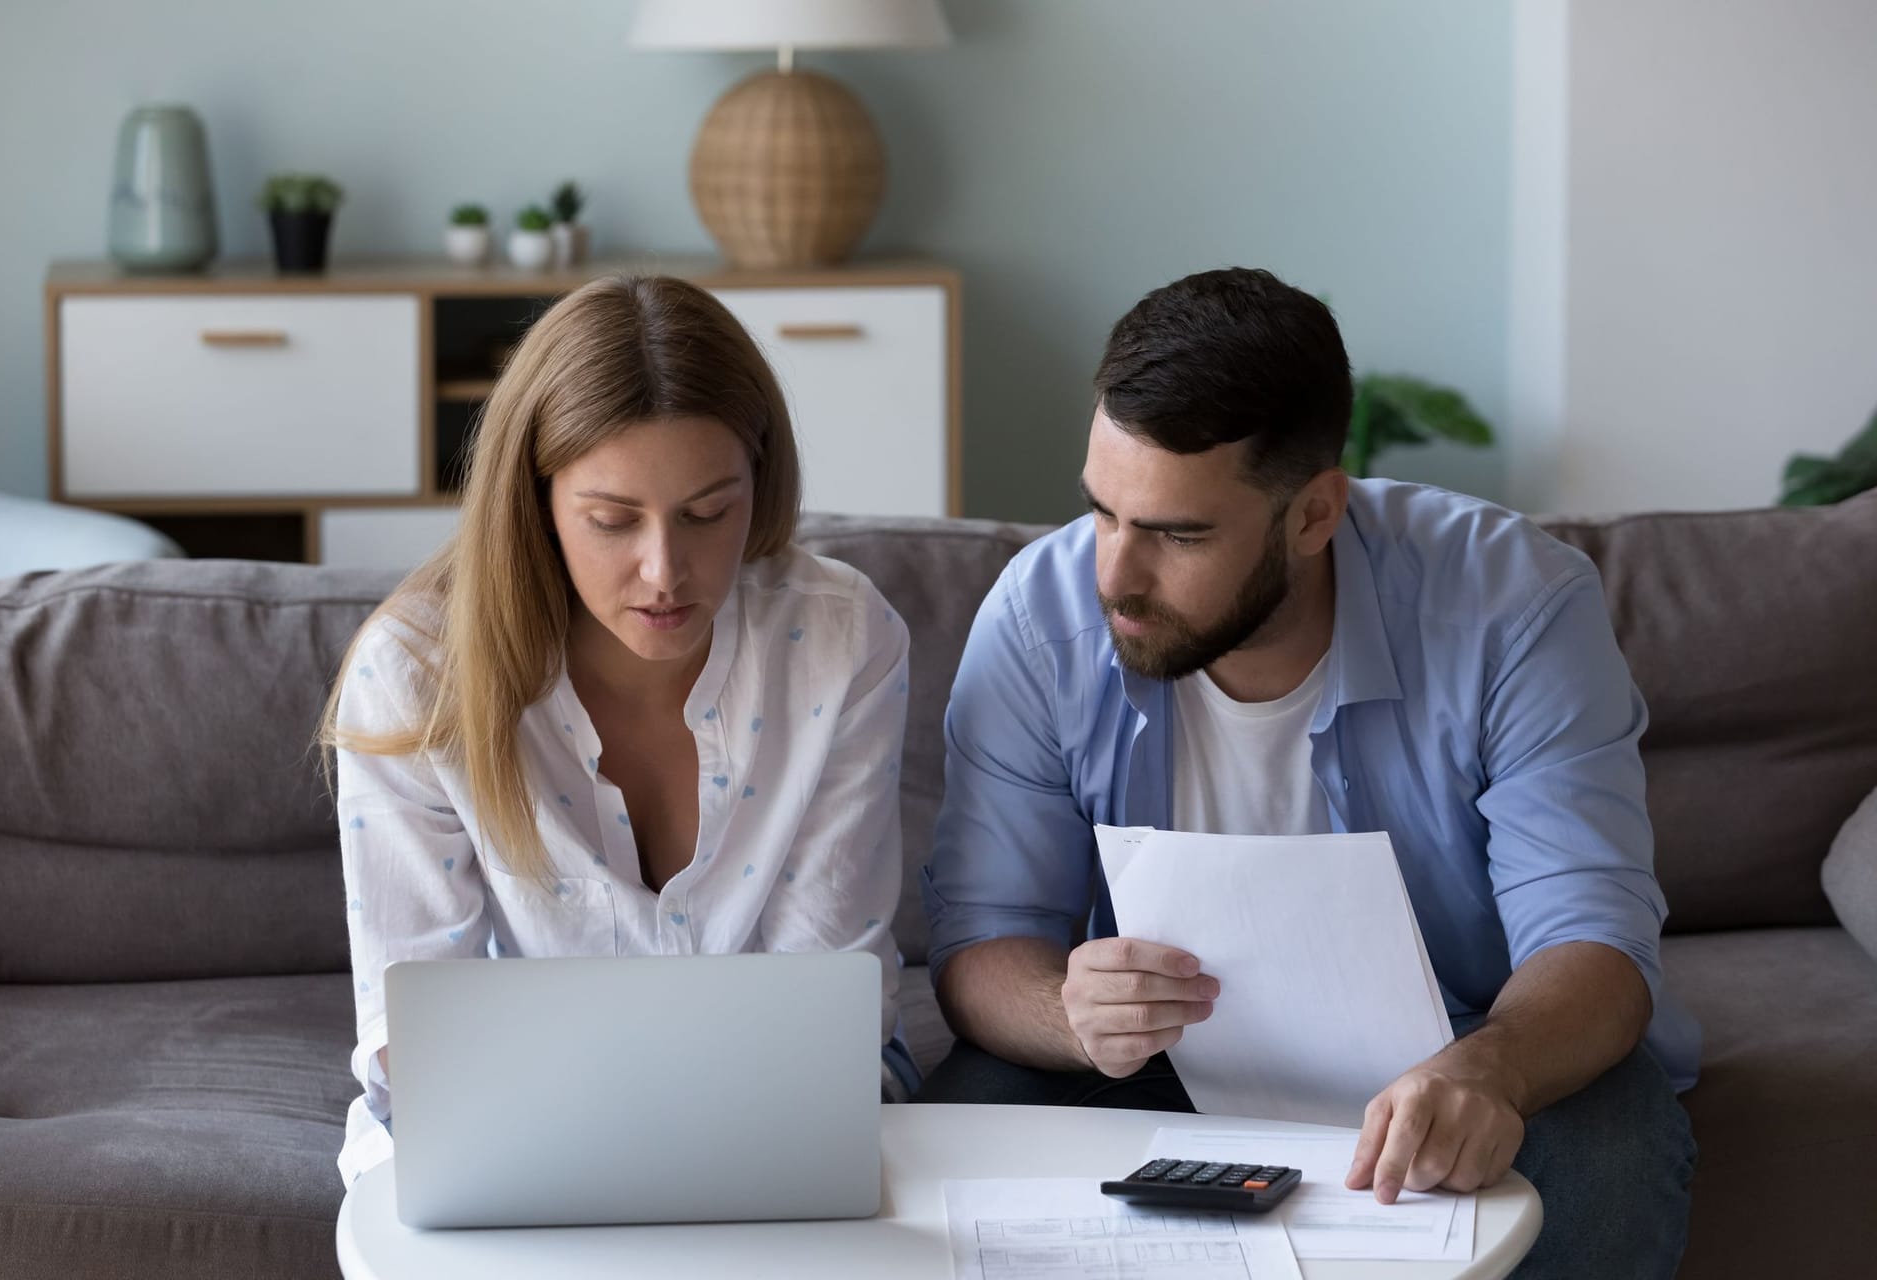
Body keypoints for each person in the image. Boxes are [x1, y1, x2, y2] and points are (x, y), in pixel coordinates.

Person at [918, 267, 1699, 1276]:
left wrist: (1491, 1066)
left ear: (1315, 514)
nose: (1115, 573)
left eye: (1178, 533)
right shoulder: (1040, 616)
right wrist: (1066, 1012)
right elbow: (981, 939)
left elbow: (1593, 936)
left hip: (1465, 1039)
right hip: (1146, 1057)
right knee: (967, 1126)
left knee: (1614, 1154)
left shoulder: (1516, 607)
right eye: (1105, 512)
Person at [322, 275, 915, 1188]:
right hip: (515, 1116)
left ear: (760, 481)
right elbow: (415, 1031)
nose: (665, 571)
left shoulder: (840, 641)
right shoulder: (413, 679)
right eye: (610, 521)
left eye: (709, 512)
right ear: (536, 502)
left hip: (784, 1104)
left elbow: (828, 1006)